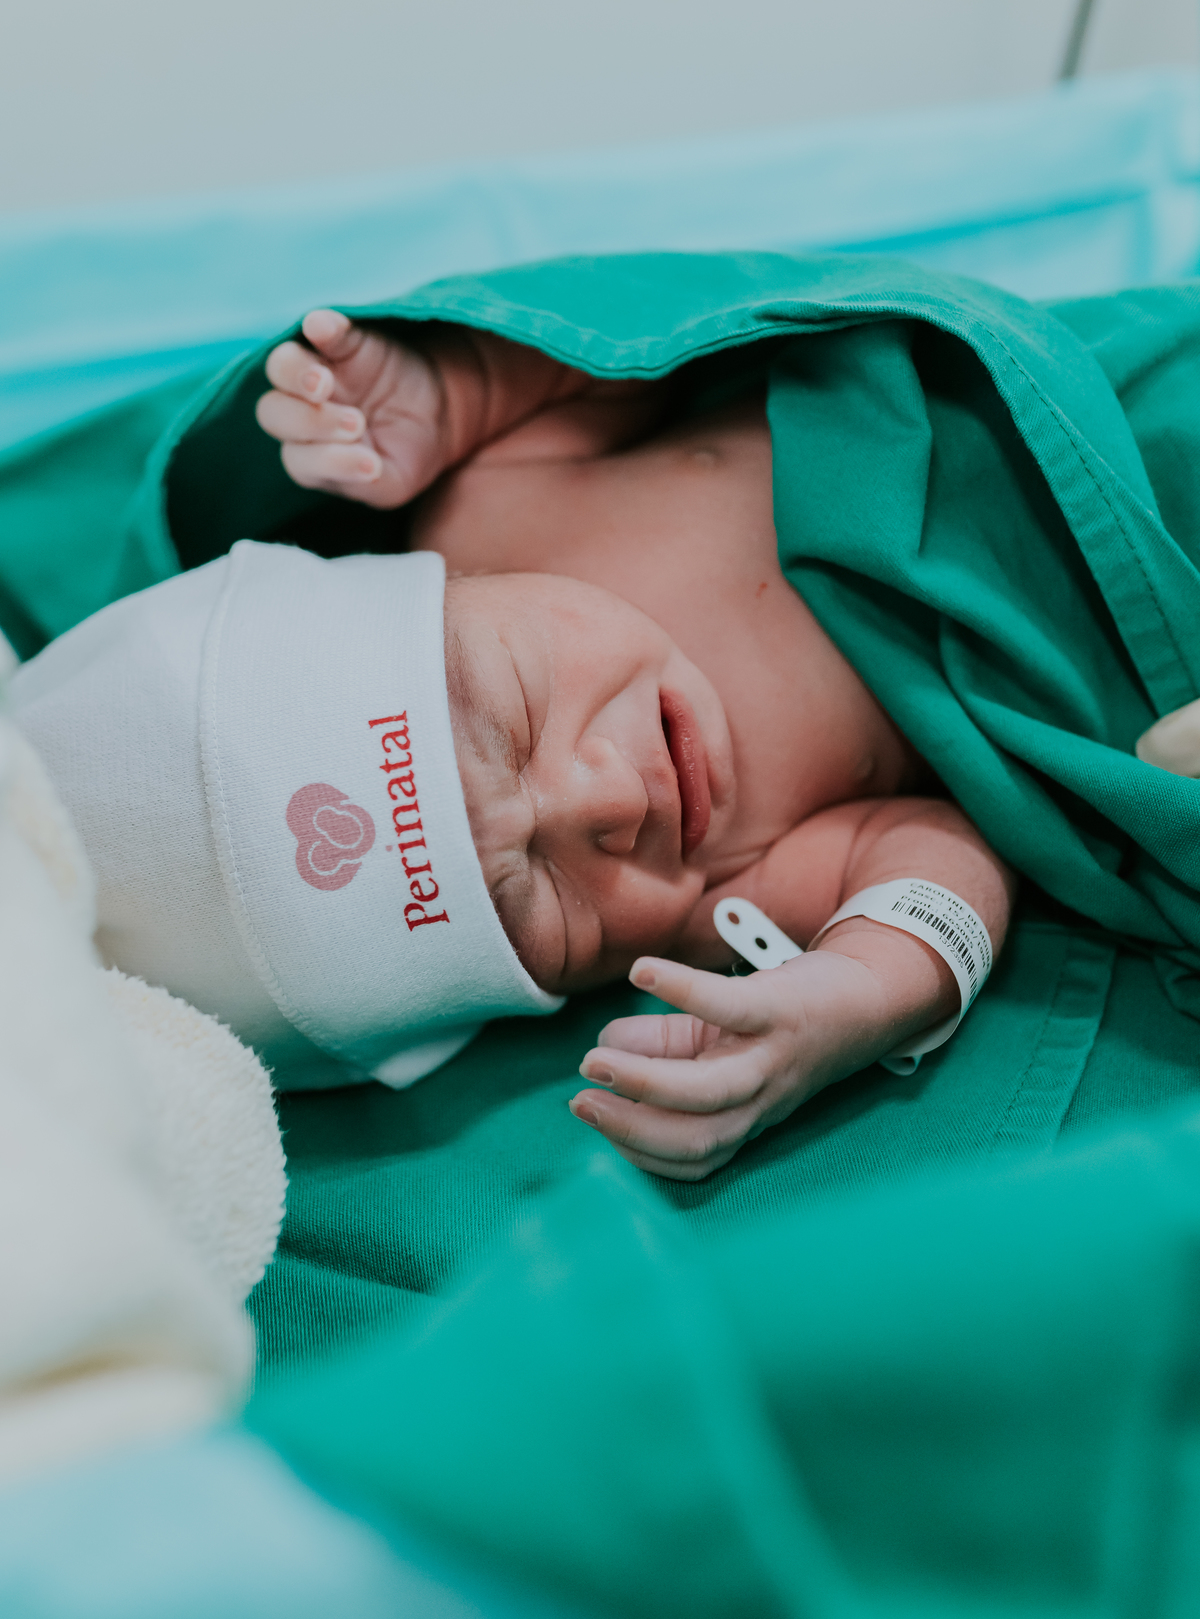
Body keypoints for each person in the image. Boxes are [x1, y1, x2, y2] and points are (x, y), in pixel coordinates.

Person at [254, 310, 1016, 1179]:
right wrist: (865, 990)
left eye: (520, 721)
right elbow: (935, 844)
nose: (611, 802)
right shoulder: (698, 902)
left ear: (451, 589)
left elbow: (626, 349)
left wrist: (456, 395)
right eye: (544, 894)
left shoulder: (490, 501)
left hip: (994, 410)